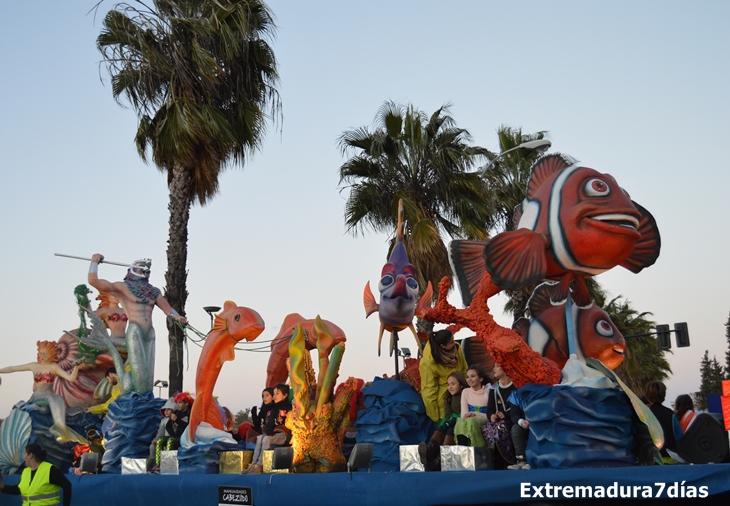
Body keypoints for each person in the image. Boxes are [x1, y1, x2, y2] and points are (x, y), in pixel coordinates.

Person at [87, 254, 186, 394]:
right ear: (133, 270)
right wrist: (94, 262)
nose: (146, 274)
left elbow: (168, 309)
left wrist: (177, 317)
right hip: (136, 331)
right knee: (139, 374)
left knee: (148, 375)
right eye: (142, 271)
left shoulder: (153, 292)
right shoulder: (122, 287)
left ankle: (146, 399)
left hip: (150, 333)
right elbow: (93, 281)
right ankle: (137, 403)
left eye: (148, 271)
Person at [0, 341, 84, 443]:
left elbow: (71, 378)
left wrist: (76, 367)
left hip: (48, 397)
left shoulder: (54, 367)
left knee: (57, 399)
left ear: (51, 354)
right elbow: (13, 368)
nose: (41, 355)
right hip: (36, 397)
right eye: (40, 353)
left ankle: (60, 428)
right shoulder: (34, 366)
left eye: (44, 353)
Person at [418, 370, 468, 470]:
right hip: (452, 420)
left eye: (453, 384)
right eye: (448, 384)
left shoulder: (465, 394)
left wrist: (454, 420)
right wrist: (449, 421)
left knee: (450, 429)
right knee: (442, 427)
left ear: (461, 384)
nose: (450, 387)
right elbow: (448, 414)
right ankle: (429, 450)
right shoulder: (448, 397)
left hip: (462, 420)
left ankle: (441, 459)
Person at [419, 329, 468, 423]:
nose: (454, 343)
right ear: (442, 346)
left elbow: (465, 371)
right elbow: (428, 391)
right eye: (451, 342)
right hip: (445, 407)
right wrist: (435, 418)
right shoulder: (428, 362)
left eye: (453, 340)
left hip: (463, 401)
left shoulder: (457, 349)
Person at [0, 443, 72, 506]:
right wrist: (3, 487)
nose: (23, 458)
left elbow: (67, 486)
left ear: (30, 455)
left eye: (25, 454)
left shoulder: (51, 470)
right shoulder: (25, 472)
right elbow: (19, 490)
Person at [246, 384, 292, 474]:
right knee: (260, 438)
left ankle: (260, 465)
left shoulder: (290, 409)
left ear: (285, 395)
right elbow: (270, 424)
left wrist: (288, 440)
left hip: (285, 436)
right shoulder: (274, 409)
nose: (274, 396)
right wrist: (269, 431)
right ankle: (253, 464)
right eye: (274, 394)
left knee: (266, 438)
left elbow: (292, 427)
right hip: (276, 434)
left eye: (277, 394)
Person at [453, 366, 489, 447]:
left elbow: (490, 415)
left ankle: (478, 449)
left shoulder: (488, 392)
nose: (469, 379)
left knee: (471, 421)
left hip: (483, 418)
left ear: (480, 379)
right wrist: (467, 415)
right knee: (460, 421)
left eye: (472, 376)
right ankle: (462, 450)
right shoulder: (465, 392)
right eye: (467, 377)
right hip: (470, 419)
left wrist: (475, 414)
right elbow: (463, 414)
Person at [645, 381, 678, 457]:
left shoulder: (644, 414)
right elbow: (678, 434)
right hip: (670, 456)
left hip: (651, 456)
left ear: (647, 396)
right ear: (664, 395)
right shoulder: (671, 413)